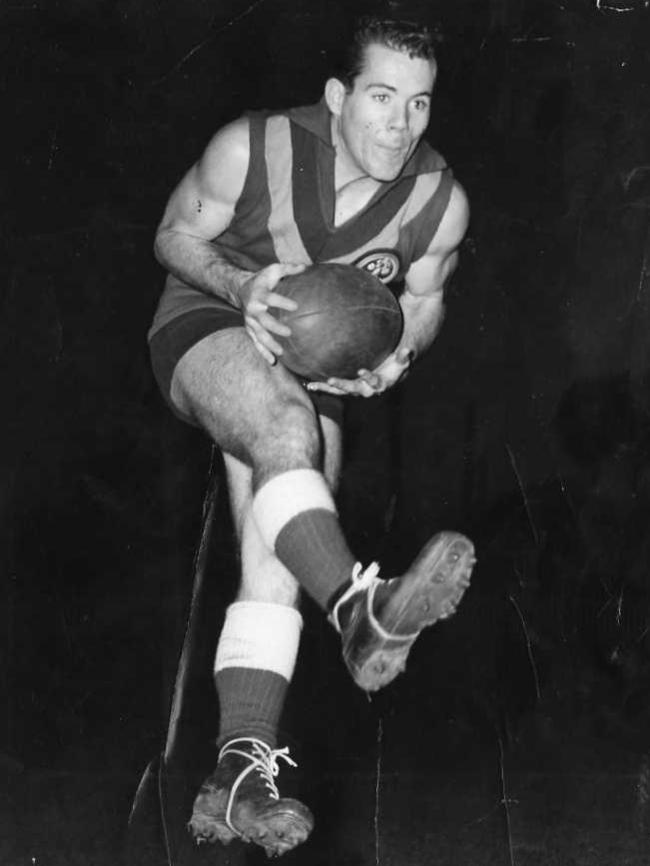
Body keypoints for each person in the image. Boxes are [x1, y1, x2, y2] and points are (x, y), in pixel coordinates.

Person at [148, 15, 476, 858]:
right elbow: (173, 235)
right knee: (288, 429)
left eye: (418, 104)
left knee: (282, 549)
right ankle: (360, 610)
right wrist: (238, 281)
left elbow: (426, 300)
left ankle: (235, 784)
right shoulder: (249, 148)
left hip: (311, 368)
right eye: (380, 98)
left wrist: (397, 352)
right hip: (211, 323)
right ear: (337, 97)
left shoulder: (440, 202)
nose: (400, 126)